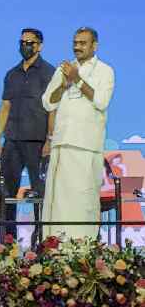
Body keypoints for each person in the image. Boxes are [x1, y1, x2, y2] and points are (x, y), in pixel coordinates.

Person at [41, 27, 114, 239]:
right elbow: (47, 102)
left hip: (86, 145)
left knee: (82, 200)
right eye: (75, 42)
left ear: (94, 46)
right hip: (62, 142)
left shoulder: (105, 71)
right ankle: (56, 247)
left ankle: (82, 248)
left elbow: (101, 101)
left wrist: (78, 80)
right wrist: (63, 86)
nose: (77, 47)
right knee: (59, 201)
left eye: (82, 43)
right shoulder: (65, 69)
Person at [0, 28, 56, 240]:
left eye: (30, 42)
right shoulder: (11, 74)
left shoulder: (50, 73)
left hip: (37, 142)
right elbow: (5, 107)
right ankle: (8, 240)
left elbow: (53, 109)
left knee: (39, 194)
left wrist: (50, 139)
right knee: (7, 193)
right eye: (22, 42)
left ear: (39, 45)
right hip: (12, 141)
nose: (25, 46)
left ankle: (40, 239)